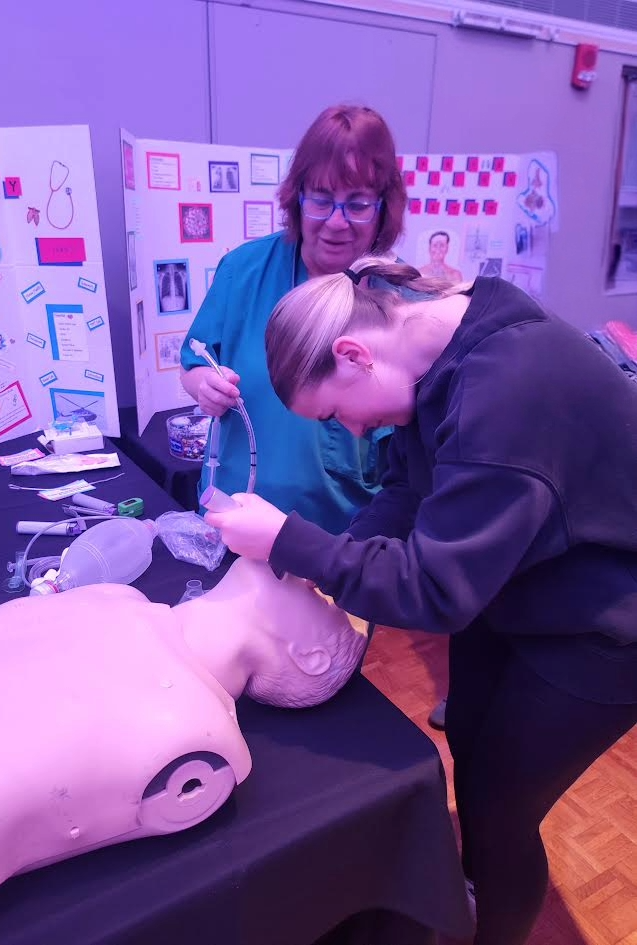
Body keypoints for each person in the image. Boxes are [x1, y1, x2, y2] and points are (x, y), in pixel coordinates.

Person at [204, 256, 637, 945]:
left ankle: (494, 922)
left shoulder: (507, 386)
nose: (348, 430)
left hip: (604, 624)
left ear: (353, 353)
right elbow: (409, 490)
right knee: (469, 742)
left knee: (499, 807)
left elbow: (435, 590)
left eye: (336, 413)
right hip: (519, 582)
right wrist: (325, 557)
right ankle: (477, 884)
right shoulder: (426, 348)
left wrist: (293, 542)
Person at [0, 559, 367, 922]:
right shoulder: (121, 598)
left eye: (321, 598)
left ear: (309, 658)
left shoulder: (193, 736)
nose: (309, 579)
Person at [179, 104, 407, 533]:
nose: (337, 223)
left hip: (343, 547)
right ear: (297, 198)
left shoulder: (402, 303)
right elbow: (194, 362)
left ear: (383, 207)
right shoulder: (243, 272)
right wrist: (203, 386)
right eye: (321, 201)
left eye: (358, 204)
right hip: (236, 521)